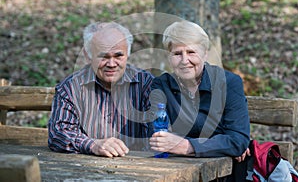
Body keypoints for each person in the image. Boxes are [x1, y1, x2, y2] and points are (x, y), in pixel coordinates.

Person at [149, 21, 250, 180]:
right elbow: (158, 137)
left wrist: (186, 146)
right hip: (176, 173)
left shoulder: (228, 83)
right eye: (177, 53)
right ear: (169, 57)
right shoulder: (161, 85)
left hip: (224, 175)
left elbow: (238, 141)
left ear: (205, 54)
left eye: (191, 52)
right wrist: (220, 144)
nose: (184, 60)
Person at [48, 22, 154, 158]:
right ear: (88, 56)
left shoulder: (145, 83)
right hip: (86, 168)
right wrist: (92, 145)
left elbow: (159, 130)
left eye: (118, 56)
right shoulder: (70, 88)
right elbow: (58, 133)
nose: (111, 64)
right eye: (103, 57)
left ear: (128, 54)